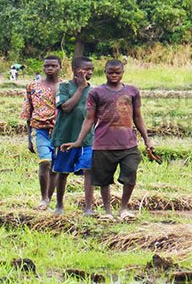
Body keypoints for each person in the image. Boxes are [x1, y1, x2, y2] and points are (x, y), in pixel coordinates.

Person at [60, 59, 154, 220]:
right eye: (111, 72)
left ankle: (124, 208)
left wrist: (147, 140)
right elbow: (89, 119)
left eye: (117, 72)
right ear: (105, 72)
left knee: (130, 174)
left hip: (128, 143)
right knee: (104, 180)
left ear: (123, 73)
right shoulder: (96, 93)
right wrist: (78, 141)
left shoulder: (132, 91)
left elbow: (138, 117)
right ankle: (108, 211)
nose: (114, 75)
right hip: (103, 144)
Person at [50, 56, 95, 215]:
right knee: (62, 172)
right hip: (65, 138)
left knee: (89, 169)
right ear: (75, 70)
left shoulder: (94, 91)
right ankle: (59, 205)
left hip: (87, 139)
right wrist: (81, 89)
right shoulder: (63, 87)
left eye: (91, 70)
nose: (89, 72)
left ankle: (88, 207)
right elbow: (66, 107)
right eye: (85, 70)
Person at [20, 55, 61, 210]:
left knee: (55, 167)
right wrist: (29, 138)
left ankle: (49, 199)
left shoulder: (66, 87)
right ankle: (43, 198)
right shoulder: (33, 87)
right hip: (39, 129)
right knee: (46, 161)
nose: (49, 69)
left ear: (59, 67)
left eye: (53, 66)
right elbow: (27, 112)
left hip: (60, 131)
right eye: (46, 66)